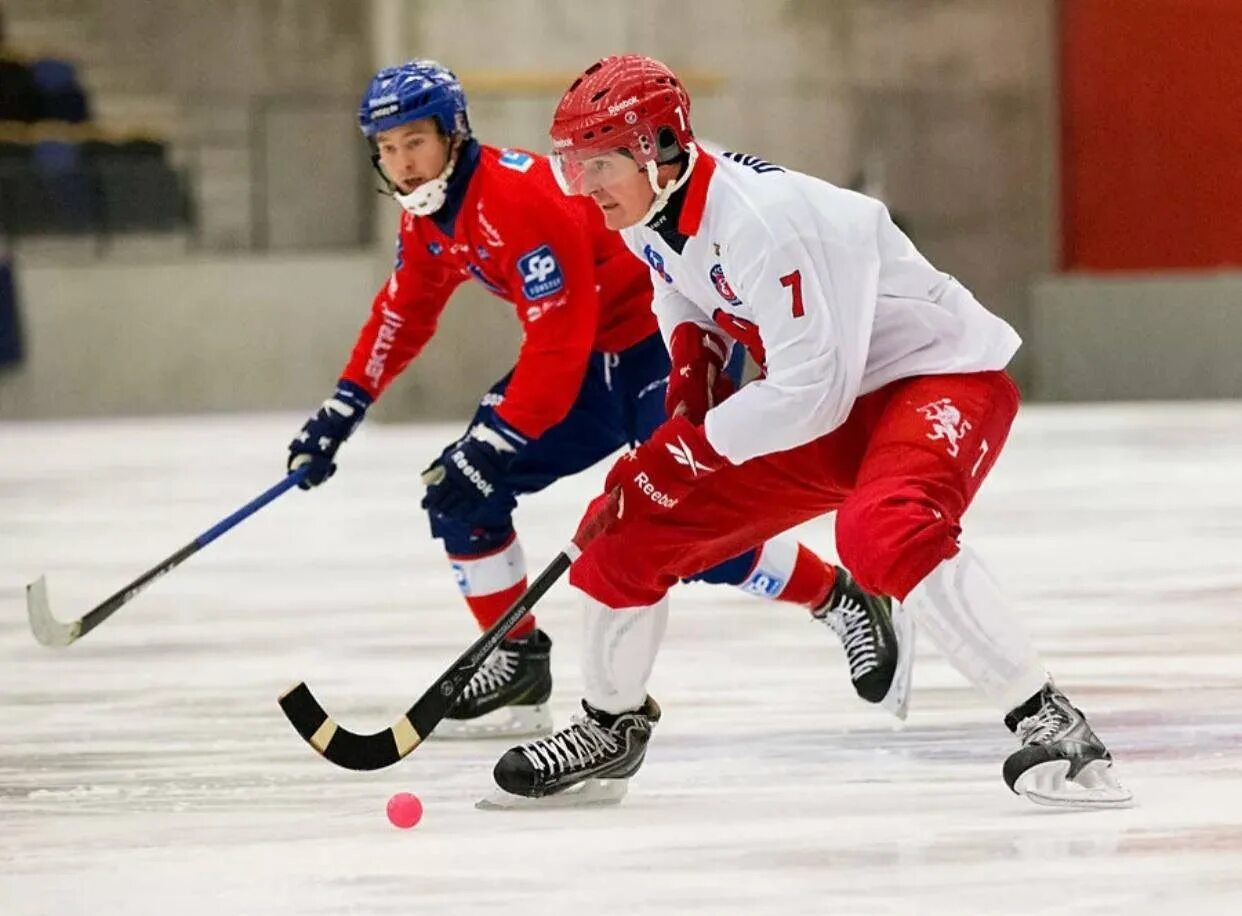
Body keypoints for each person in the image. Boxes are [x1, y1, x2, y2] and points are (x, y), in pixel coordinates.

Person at [489, 53, 1130, 809]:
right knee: (632, 531)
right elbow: (681, 289)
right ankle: (609, 729)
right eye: (573, 164)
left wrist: (688, 449)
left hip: (935, 377)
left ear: (659, 148)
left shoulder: (762, 224)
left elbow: (809, 393)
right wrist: (693, 369)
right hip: (833, 394)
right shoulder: (648, 209)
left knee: (882, 532)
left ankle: (1053, 723)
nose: (582, 186)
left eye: (598, 163)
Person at [286, 60, 908, 739]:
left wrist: (494, 443)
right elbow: (404, 313)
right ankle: (518, 659)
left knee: (677, 521)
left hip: (655, 346)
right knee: (459, 495)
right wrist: (342, 409)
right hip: (584, 363)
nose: (403, 163)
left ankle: (838, 596)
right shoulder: (431, 216)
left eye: (415, 142)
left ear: (453, 133)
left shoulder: (516, 200)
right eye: (387, 148)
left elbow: (556, 346)